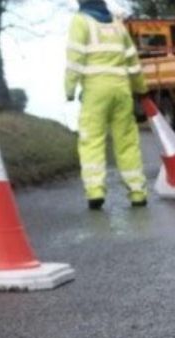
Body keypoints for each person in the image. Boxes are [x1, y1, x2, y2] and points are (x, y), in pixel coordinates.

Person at [65, 0, 149, 209]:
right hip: (121, 91)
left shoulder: (80, 21)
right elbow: (133, 61)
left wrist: (69, 89)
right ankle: (137, 192)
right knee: (127, 143)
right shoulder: (118, 25)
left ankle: (95, 191)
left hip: (95, 92)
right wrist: (141, 88)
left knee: (92, 141)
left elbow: (75, 58)